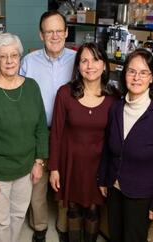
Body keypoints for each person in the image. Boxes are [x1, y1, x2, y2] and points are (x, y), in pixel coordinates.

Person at [0, 33, 49, 242]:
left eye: (13, 55)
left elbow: (41, 127)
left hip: (25, 169)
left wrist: (38, 161)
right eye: (3, 56)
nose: (9, 61)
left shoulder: (31, 87)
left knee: (18, 216)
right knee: (0, 222)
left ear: (20, 57)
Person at [98, 48, 153, 242]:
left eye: (143, 73)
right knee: (115, 235)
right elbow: (108, 148)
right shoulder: (116, 109)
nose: (136, 77)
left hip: (141, 197)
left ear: (152, 78)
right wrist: (103, 179)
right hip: (115, 189)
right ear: (125, 74)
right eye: (131, 71)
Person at [48, 42, 117, 242]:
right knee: (73, 208)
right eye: (84, 60)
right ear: (78, 66)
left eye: (95, 60)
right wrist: (54, 168)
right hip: (70, 163)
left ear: (104, 65)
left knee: (94, 211)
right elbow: (57, 134)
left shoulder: (113, 98)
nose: (90, 65)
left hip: (98, 167)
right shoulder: (65, 94)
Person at [20, 10, 76, 242]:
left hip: (69, 133)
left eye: (59, 31)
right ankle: (40, 227)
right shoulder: (28, 62)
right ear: (41, 35)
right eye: (48, 31)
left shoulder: (79, 60)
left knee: (66, 180)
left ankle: (64, 227)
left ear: (66, 32)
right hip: (38, 132)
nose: (54, 36)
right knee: (38, 183)